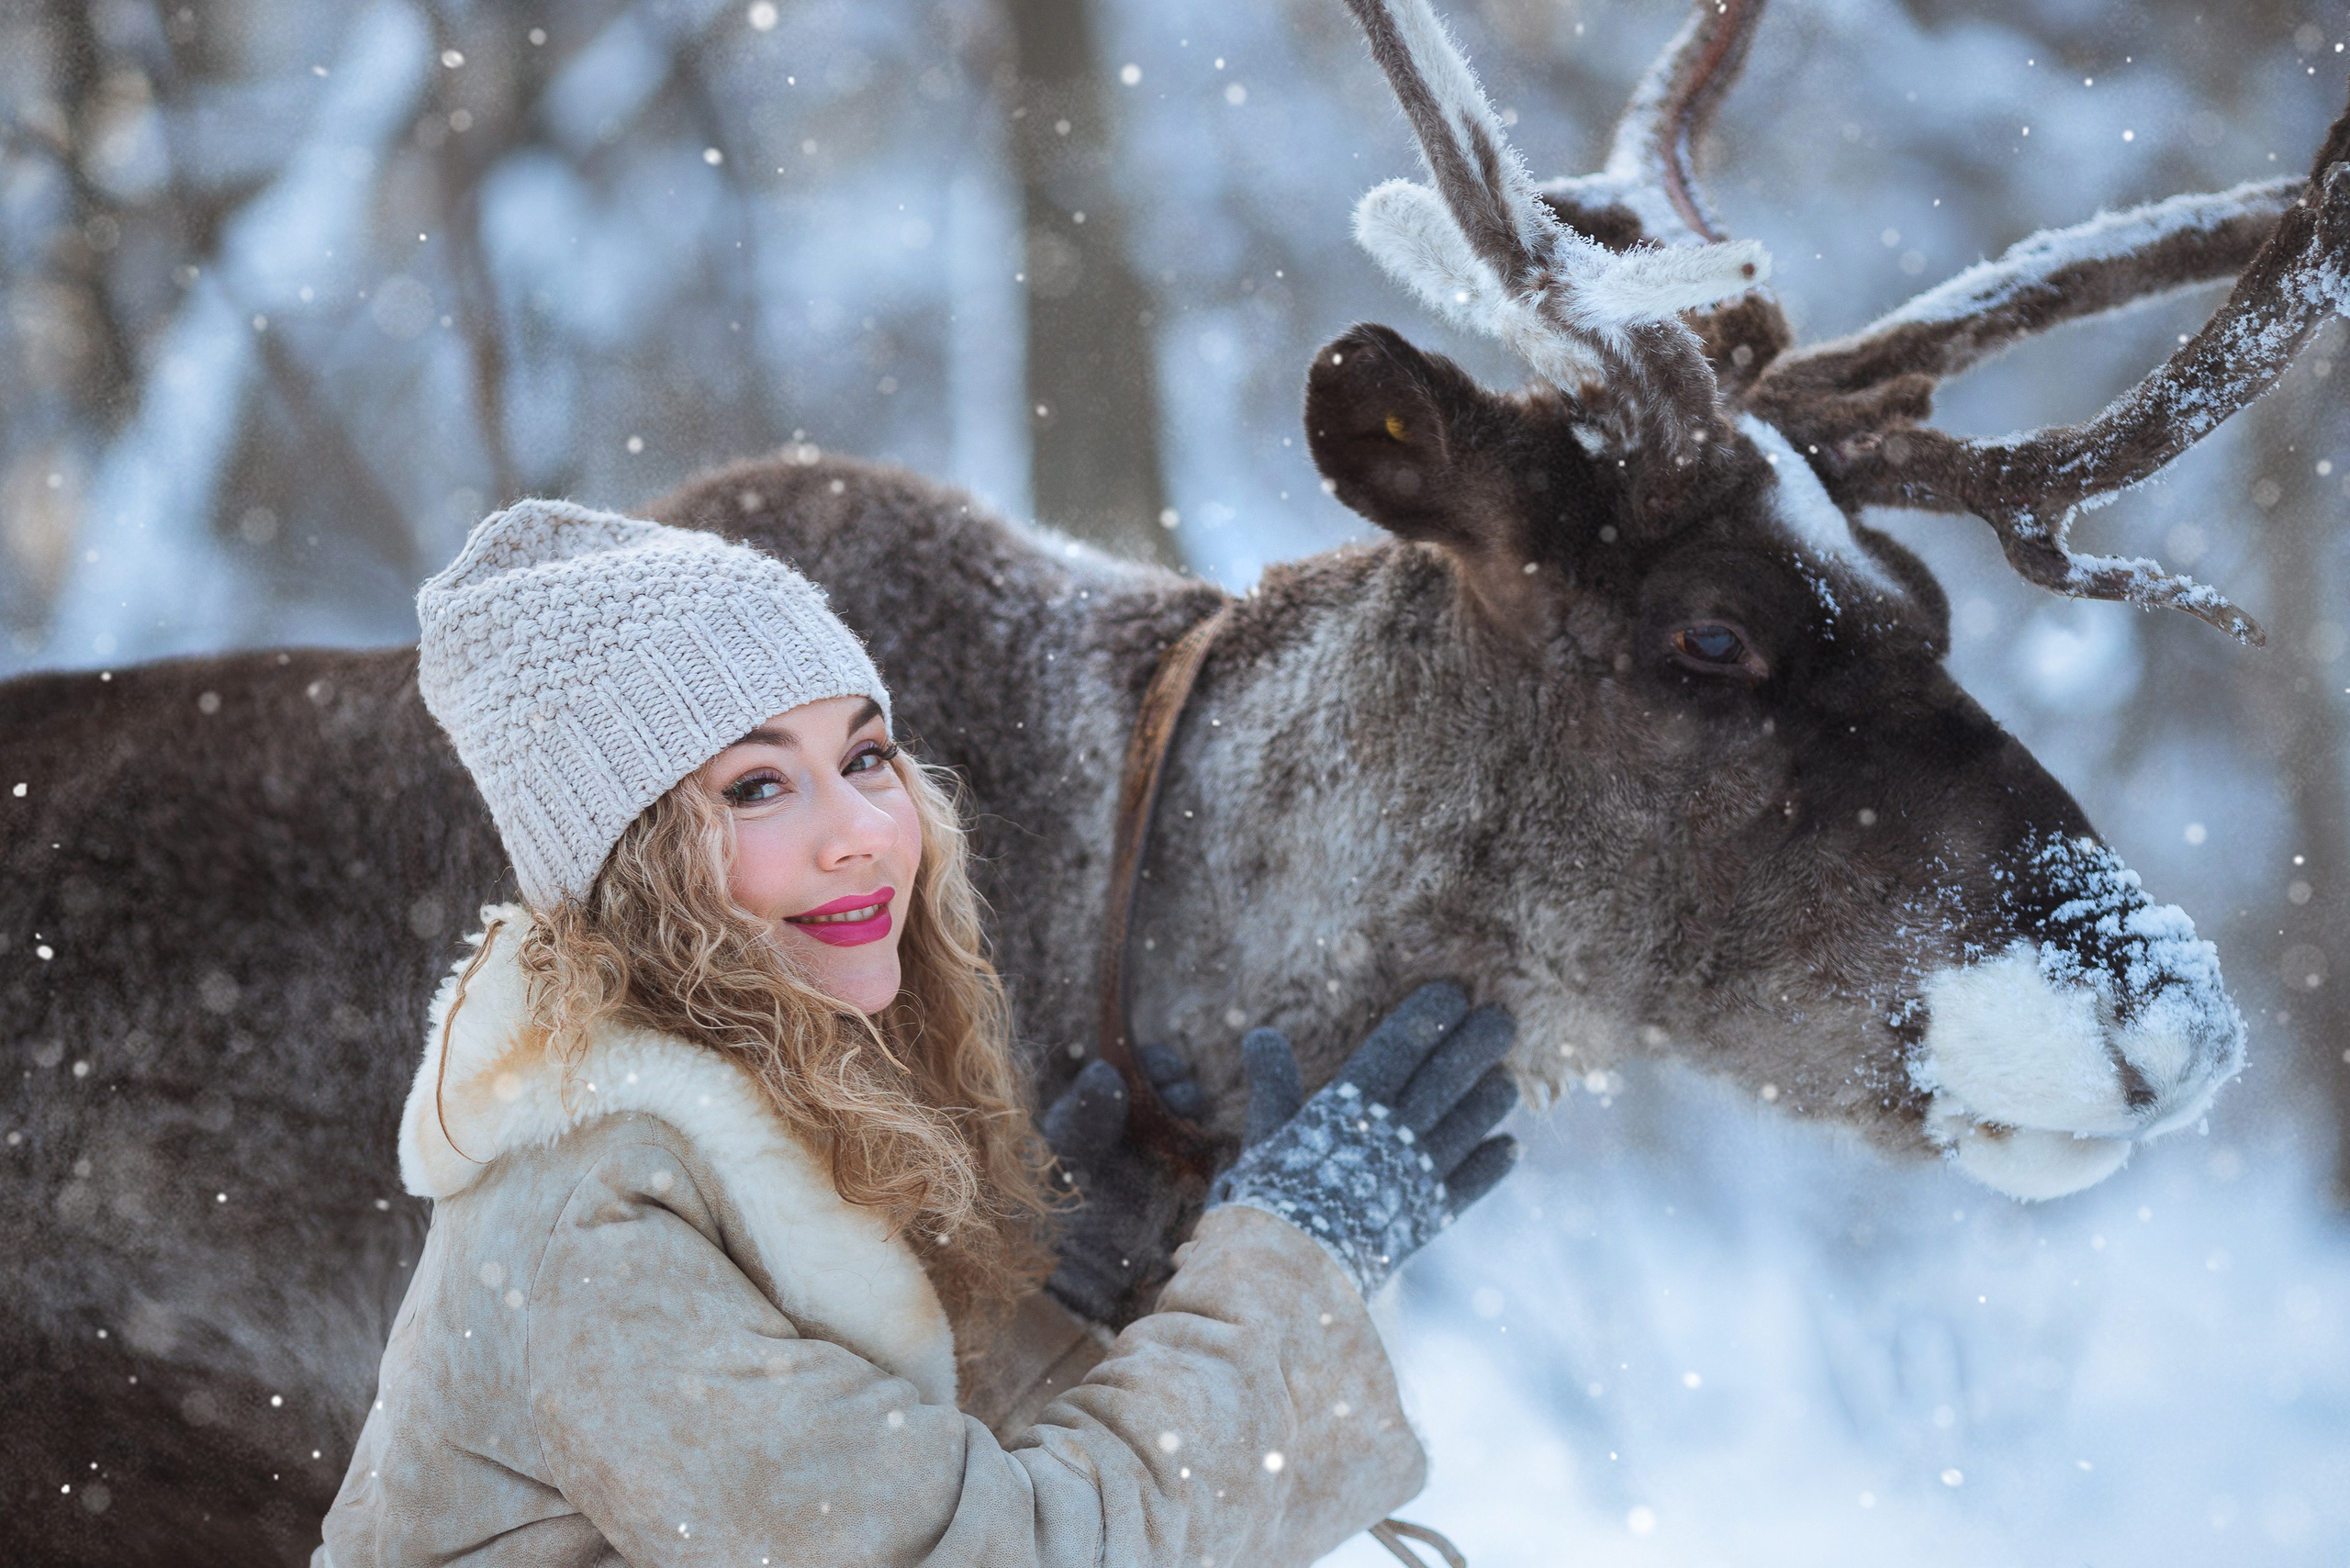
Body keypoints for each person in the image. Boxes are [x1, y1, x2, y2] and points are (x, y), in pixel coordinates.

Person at [314, 499, 1520, 1568]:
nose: (863, 831)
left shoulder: (744, 1110)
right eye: (756, 785)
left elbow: (862, 1496)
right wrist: (1293, 1261)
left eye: (866, 756)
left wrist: (1054, 1305)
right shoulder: (597, 1221)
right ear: (634, 869)